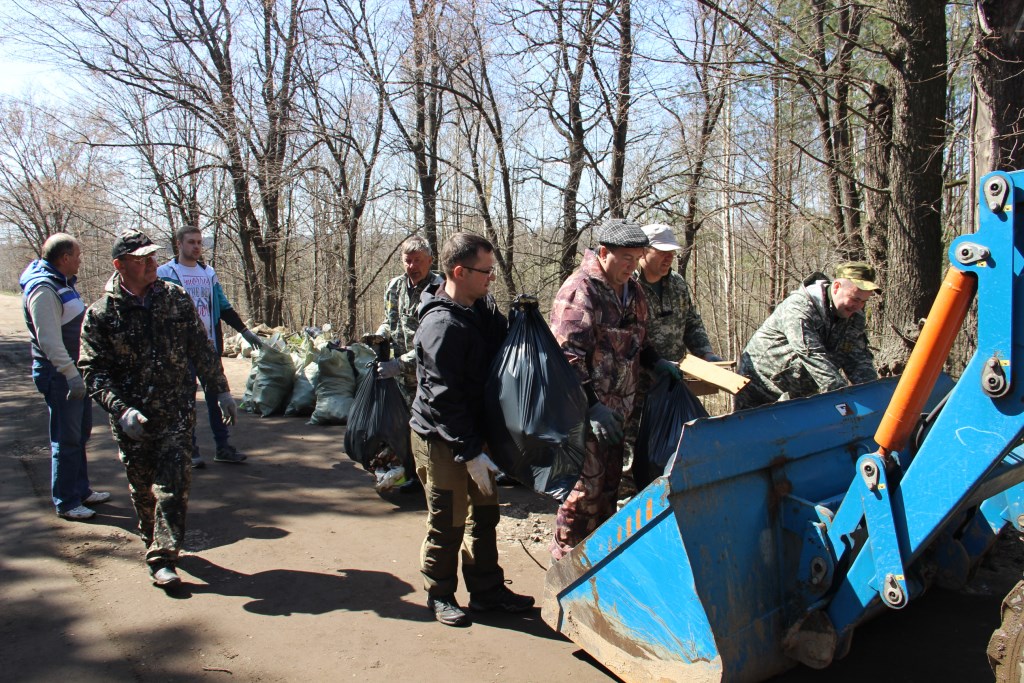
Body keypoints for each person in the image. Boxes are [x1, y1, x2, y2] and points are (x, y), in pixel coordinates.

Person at [79, 230, 238, 588]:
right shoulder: (101, 314)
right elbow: (93, 373)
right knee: (142, 491)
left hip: (176, 413)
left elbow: (200, 349)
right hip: (132, 420)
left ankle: (163, 556)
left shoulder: (175, 299)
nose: (152, 264)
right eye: (142, 260)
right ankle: (151, 538)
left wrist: (222, 390)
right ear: (121, 266)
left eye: (153, 257)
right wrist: (120, 410)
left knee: (173, 485)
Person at [409, 232, 534, 627]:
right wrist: (469, 451)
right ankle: (440, 592)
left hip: (473, 435)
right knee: (448, 520)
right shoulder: (441, 325)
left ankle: (486, 590)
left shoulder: (478, 309)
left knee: (484, 516)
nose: (491, 279)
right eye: (486, 271)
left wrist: (522, 319)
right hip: (442, 439)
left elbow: (501, 345)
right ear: (459, 272)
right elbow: (441, 398)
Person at [548, 219, 682, 561]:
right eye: (625, 257)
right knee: (580, 497)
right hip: (581, 418)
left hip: (616, 416)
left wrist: (657, 362)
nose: (631, 265)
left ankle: (597, 572)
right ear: (604, 252)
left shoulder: (633, 292)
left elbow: (640, 338)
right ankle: (564, 572)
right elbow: (565, 358)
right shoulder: (581, 291)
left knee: (608, 495)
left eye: (637, 257)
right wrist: (591, 405)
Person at [19, 233, 110, 521]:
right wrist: (70, 373)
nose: (81, 260)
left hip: (75, 371)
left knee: (80, 435)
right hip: (60, 374)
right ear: (65, 258)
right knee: (66, 438)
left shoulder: (62, 283)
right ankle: (67, 501)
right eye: (78, 255)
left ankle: (80, 489)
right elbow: (48, 339)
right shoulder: (44, 289)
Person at [157, 225, 261, 468]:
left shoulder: (208, 273)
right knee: (185, 400)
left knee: (218, 396)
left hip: (209, 347)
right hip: (180, 350)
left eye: (199, 242)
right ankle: (190, 449)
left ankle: (223, 447)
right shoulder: (166, 273)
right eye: (191, 242)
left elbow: (223, 306)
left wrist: (244, 331)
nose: (196, 247)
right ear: (179, 244)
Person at [736, 261, 880, 410]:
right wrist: (842, 398)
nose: (858, 306)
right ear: (836, 287)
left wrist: (872, 396)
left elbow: (857, 358)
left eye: (864, 301)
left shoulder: (854, 316)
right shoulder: (799, 307)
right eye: (855, 299)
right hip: (760, 387)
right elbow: (812, 355)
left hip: (798, 391)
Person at [369, 235, 444, 492]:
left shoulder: (440, 288)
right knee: (400, 428)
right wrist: (379, 336)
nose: (412, 266)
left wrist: (400, 364)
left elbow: (436, 343)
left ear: (430, 261)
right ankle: (409, 475)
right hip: (400, 379)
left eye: (418, 261)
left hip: (430, 376)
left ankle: (431, 482)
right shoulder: (395, 286)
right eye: (408, 260)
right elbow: (389, 322)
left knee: (428, 431)